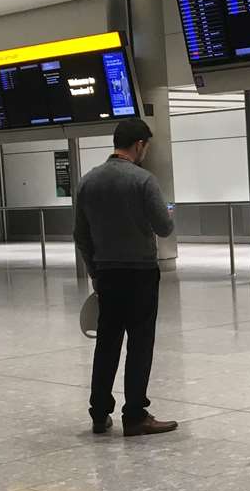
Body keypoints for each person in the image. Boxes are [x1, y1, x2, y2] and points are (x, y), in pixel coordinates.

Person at [74, 118, 177, 437]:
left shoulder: (88, 182)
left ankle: (99, 413)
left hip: (107, 273)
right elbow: (164, 227)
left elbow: (80, 234)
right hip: (141, 273)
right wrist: (167, 212)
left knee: (107, 342)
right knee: (140, 343)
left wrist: (94, 270)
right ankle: (135, 414)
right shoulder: (143, 181)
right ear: (139, 145)